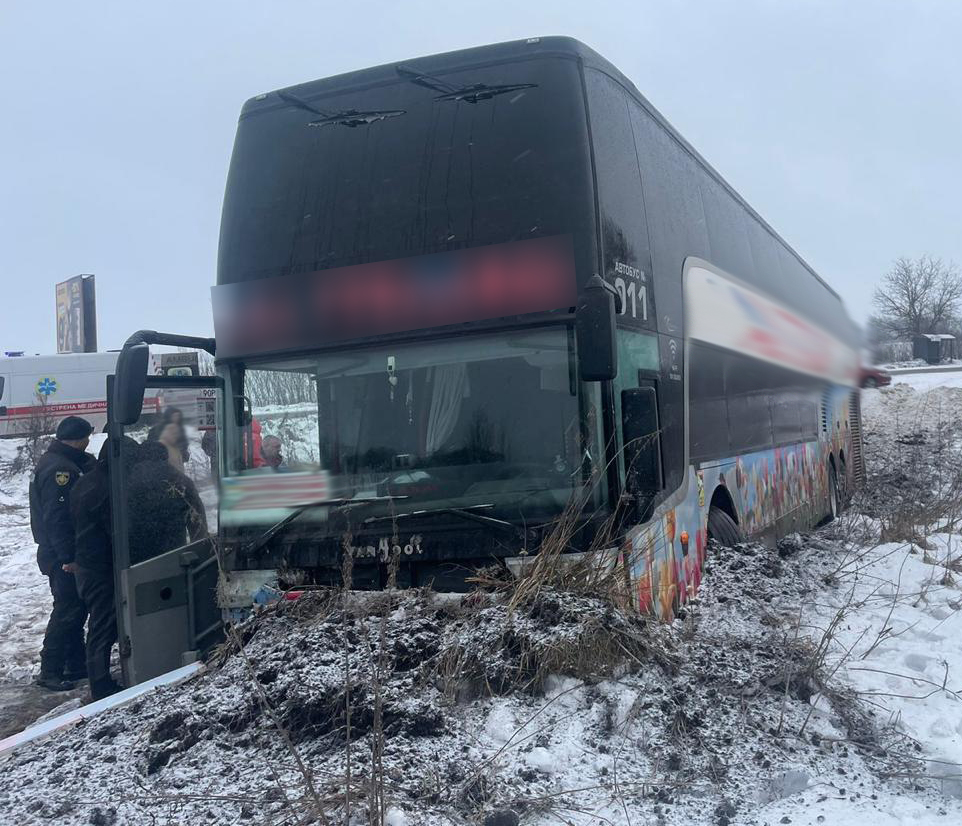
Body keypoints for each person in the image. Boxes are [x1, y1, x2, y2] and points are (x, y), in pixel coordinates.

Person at [28, 416, 95, 691]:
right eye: (87, 437)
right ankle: (50, 669)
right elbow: (58, 519)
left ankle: (75, 664)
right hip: (61, 554)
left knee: (76, 608)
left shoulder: (56, 461)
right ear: (79, 439)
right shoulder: (60, 470)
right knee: (67, 609)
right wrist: (68, 557)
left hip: (57, 551)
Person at [72, 439, 142, 700]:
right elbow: (117, 530)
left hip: (89, 563)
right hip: (101, 567)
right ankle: (100, 686)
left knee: (101, 624)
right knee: (102, 627)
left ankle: (100, 681)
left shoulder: (87, 481)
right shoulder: (108, 488)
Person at [128, 441, 209, 565]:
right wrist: (199, 554)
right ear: (165, 456)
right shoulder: (180, 480)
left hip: (136, 556)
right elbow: (198, 523)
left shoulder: (128, 482)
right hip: (172, 554)